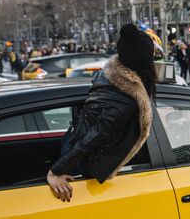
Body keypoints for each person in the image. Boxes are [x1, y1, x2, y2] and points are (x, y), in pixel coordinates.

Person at [47, 24, 156, 202]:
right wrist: (55, 171)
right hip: (82, 166)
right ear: (145, 61)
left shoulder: (107, 77)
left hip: (71, 145)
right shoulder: (126, 100)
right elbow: (93, 137)